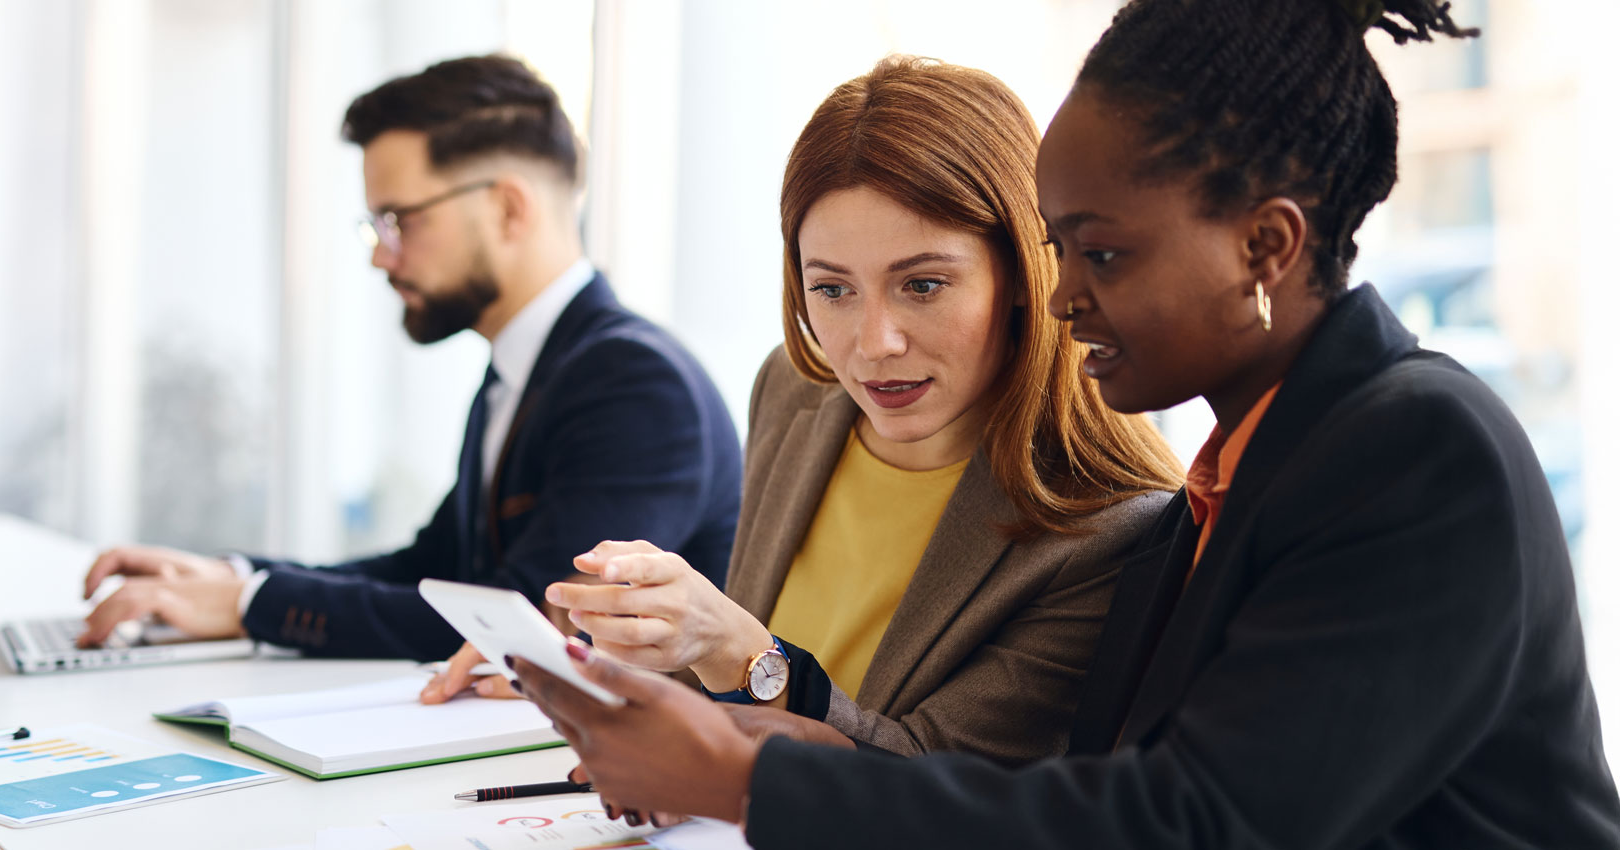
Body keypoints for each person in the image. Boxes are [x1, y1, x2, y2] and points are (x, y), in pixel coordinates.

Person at [510, 1, 1620, 846]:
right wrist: (743, 726)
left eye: (1100, 252)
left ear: (1265, 250)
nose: (1061, 296)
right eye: (1058, 250)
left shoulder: (1416, 448)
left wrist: (742, 776)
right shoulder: (1246, 466)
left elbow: (1191, 822)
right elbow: (1069, 789)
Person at [438, 57, 1183, 766]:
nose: (871, 345)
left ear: (1023, 272)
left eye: (922, 285)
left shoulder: (1107, 528)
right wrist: (594, 668)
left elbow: (935, 786)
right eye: (832, 289)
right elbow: (729, 704)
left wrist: (740, 650)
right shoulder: (798, 393)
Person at [73, 55, 742, 660]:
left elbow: (526, 622)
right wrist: (234, 580)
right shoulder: (531, 368)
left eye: (400, 220)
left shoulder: (633, 383)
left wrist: (251, 606)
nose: (378, 254)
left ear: (509, 207)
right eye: (376, 226)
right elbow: (435, 567)